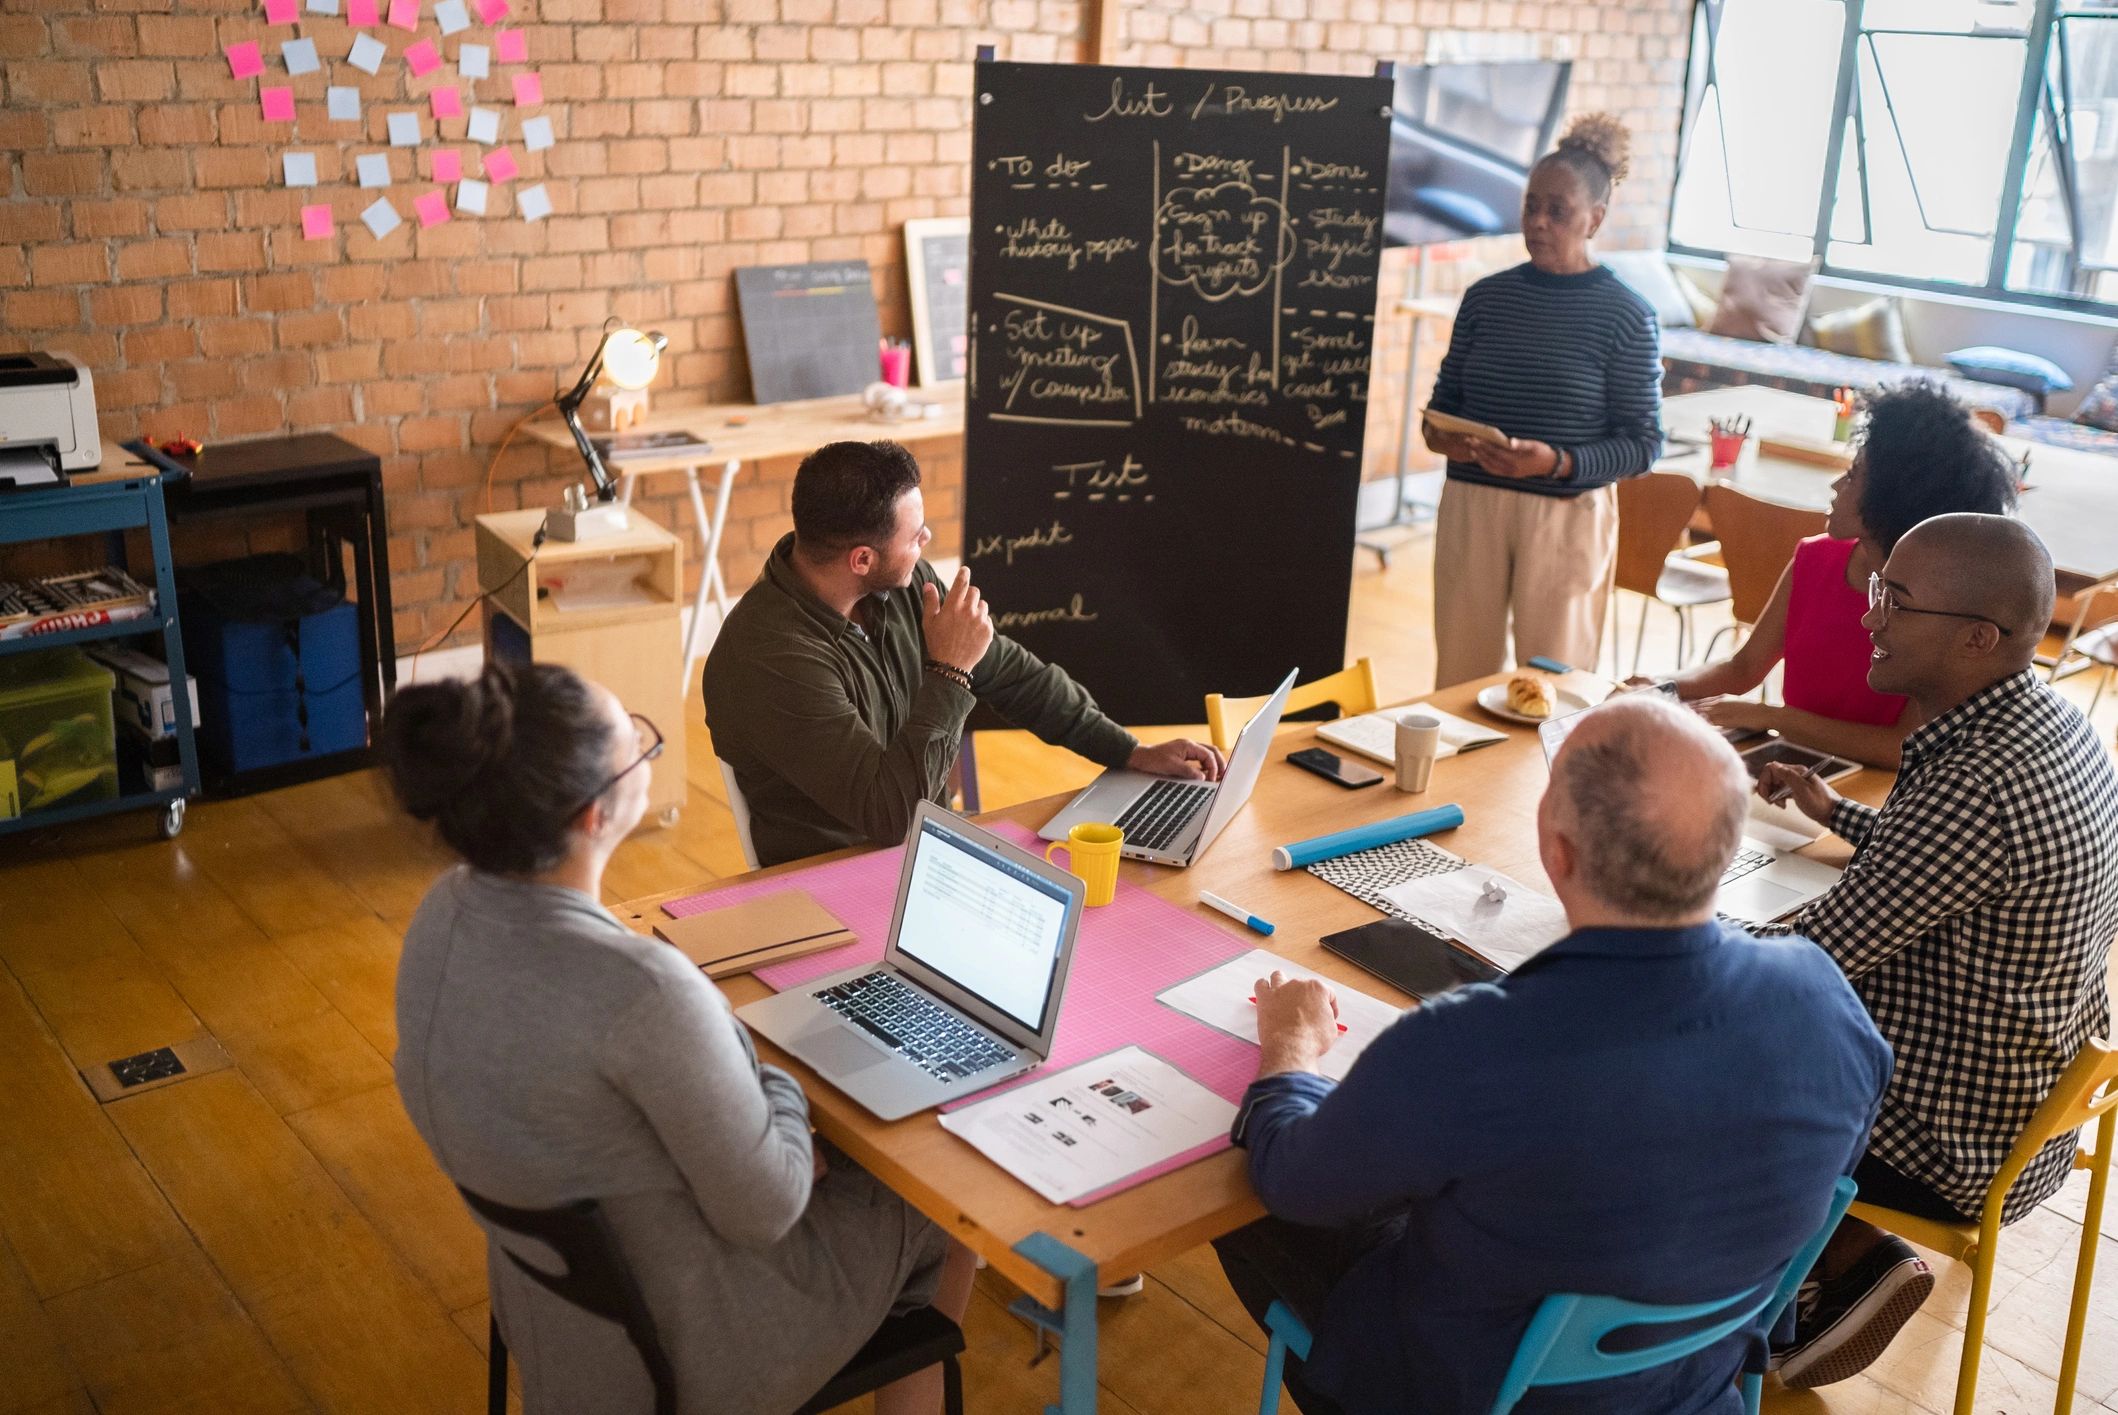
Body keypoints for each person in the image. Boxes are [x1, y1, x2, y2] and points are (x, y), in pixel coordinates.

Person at [1212, 696, 1891, 1414]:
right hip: (1696, 1381)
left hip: (1472, 1388)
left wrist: (1291, 1047)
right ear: (1729, 848)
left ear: (1555, 851)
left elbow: (1295, 1181)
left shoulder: (1471, 1042)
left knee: (1250, 1196)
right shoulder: (1825, 994)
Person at [384, 661, 975, 1415]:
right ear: (594, 814)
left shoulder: (441, 914)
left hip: (555, 1317)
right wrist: (783, 1083)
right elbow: (769, 1205)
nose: (644, 741)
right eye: (634, 737)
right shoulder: (642, 989)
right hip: (691, 1346)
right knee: (942, 1194)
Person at [1752, 513, 2118, 1388]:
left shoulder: (1978, 778)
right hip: (2033, 1122)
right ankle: (1834, 1256)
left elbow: (1807, 956)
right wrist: (1840, 814)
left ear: (1977, 637)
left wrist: (1643, 936)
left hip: (1949, 1144)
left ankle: (1832, 1263)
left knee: (1688, 1049)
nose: (1870, 616)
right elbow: (1954, 866)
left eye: (1896, 600)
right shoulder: (2047, 724)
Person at [704, 439, 1224, 867]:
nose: (927, 539)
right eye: (916, 534)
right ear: (862, 558)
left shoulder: (904, 586)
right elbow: (893, 819)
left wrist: (1128, 751)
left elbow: (1014, 676)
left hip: (926, 852)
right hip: (831, 881)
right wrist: (949, 671)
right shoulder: (768, 658)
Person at [1644, 381, 2019, 767]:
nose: (1837, 485)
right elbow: (1741, 669)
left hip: (1875, 790)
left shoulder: (1936, 607)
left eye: (1854, 475)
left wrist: (1776, 718)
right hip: (1794, 768)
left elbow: (1899, 747)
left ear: (1895, 498)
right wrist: (1661, 686)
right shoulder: (1815, 558)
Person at [1424, 113, 1664, 687]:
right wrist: (1444, 438)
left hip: (1566, 515)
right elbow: (1439, 408)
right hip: (1472, 505)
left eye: (1558, 210)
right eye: (1532, 204)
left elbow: (1644, 444)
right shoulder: (1485, 298)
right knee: (1458, 680)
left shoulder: (1627, 315)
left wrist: (1557, 463)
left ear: (1595, 219)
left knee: (1557, 685)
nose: (1537, 221)